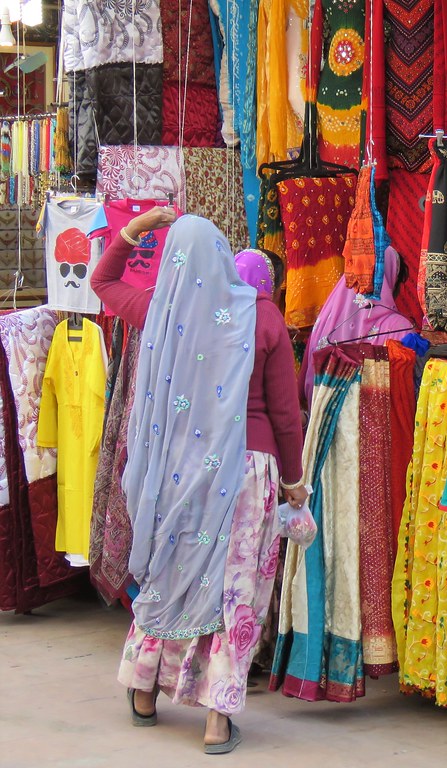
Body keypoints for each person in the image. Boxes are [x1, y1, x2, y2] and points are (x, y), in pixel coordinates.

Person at [91, 209, 306, 754]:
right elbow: (286, 415)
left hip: (180, 475)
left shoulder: (164, 312)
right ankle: (216, 717)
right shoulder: (261, 317)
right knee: (234, 594)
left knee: (172, 577)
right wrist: (295, 484)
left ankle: (143, 689)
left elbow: (102, 282)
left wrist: (136, 232)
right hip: (246, 475)